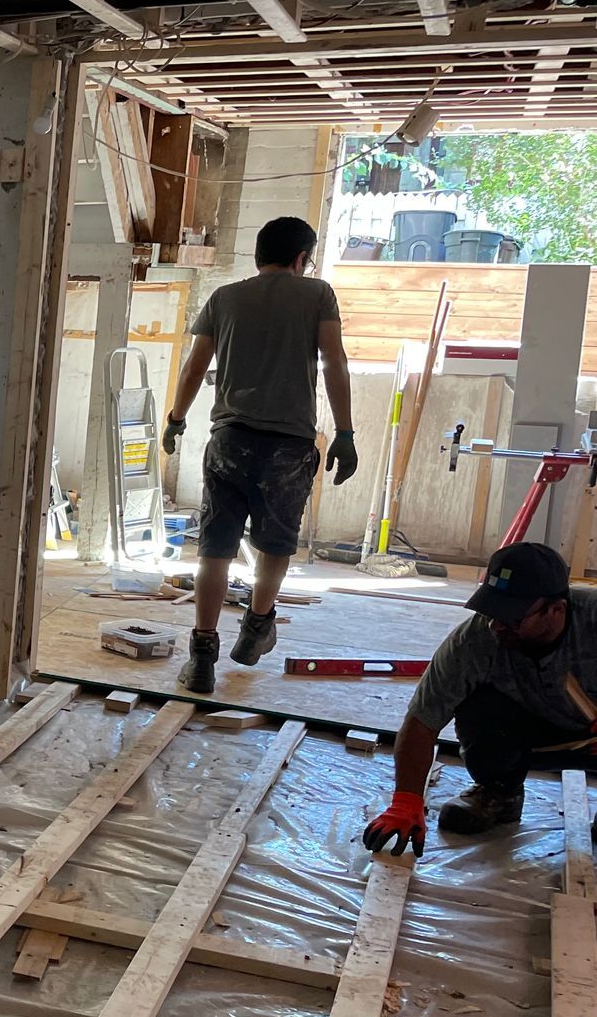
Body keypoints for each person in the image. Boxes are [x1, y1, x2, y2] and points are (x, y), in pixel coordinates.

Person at [161, 215, 361, 695]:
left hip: (229, 440)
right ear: (301, 258)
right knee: (274, 545)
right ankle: (256, 625)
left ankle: (202, 656)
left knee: (215, 548)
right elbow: (334, 360)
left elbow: (194, 365)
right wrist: (346, 431)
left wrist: (176, 418)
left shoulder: (225, 298)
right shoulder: (317, 294)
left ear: (257, 255)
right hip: (288, 448)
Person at [362, 543, 597, 857]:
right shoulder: (475, 640)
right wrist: (406, 802)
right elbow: (422, 721)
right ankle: (501, 792)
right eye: (491, 610)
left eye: (512, 617)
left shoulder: (593, 619)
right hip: (532, 736)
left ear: (556, 609)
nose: (496, 625)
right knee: (480, 709)